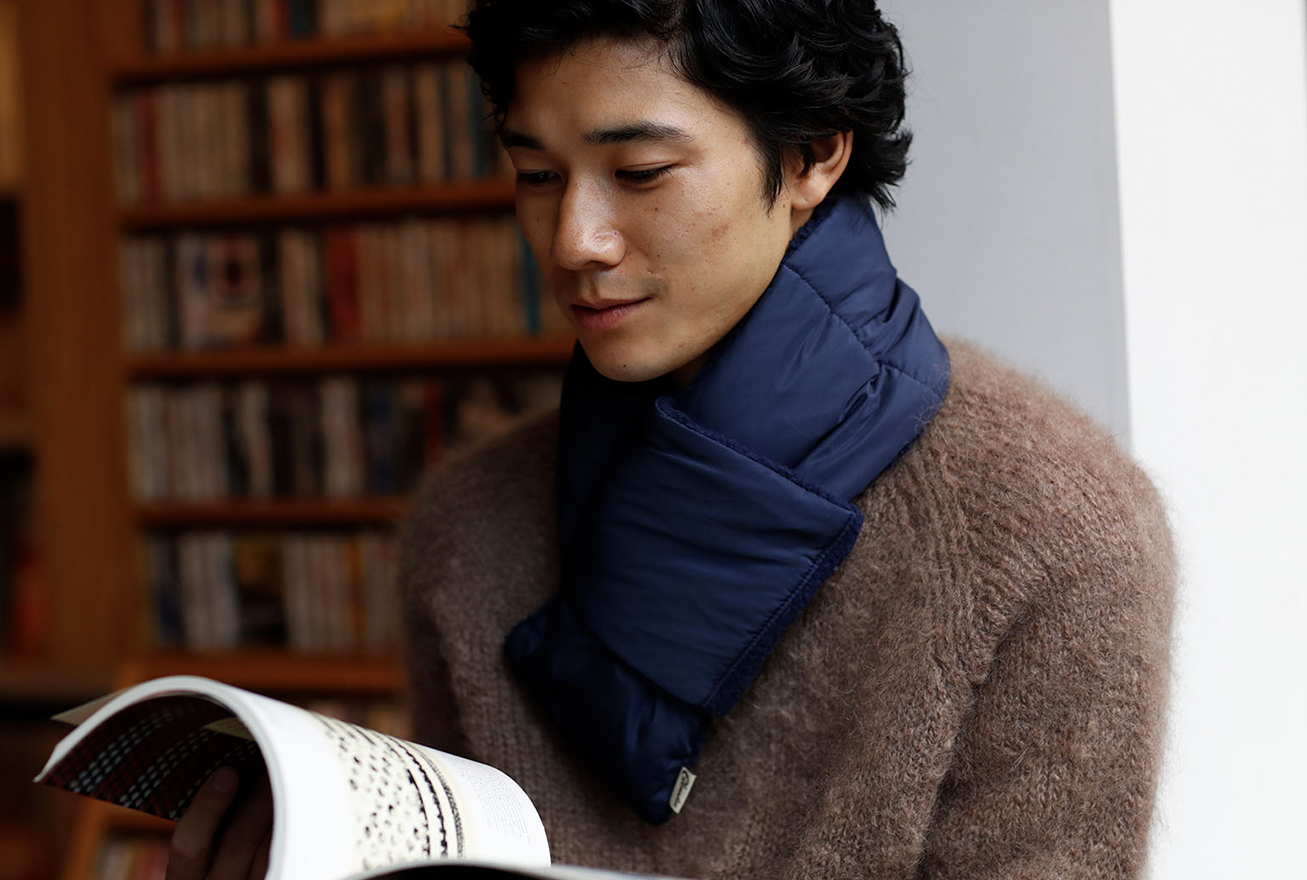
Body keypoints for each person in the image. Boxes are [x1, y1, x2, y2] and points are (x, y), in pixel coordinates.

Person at [166, 1, 1175, 878]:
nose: (575, 239)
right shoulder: (468, 529)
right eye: (535, 173)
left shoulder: (1049, 529)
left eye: (640, 172)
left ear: (814, 153)